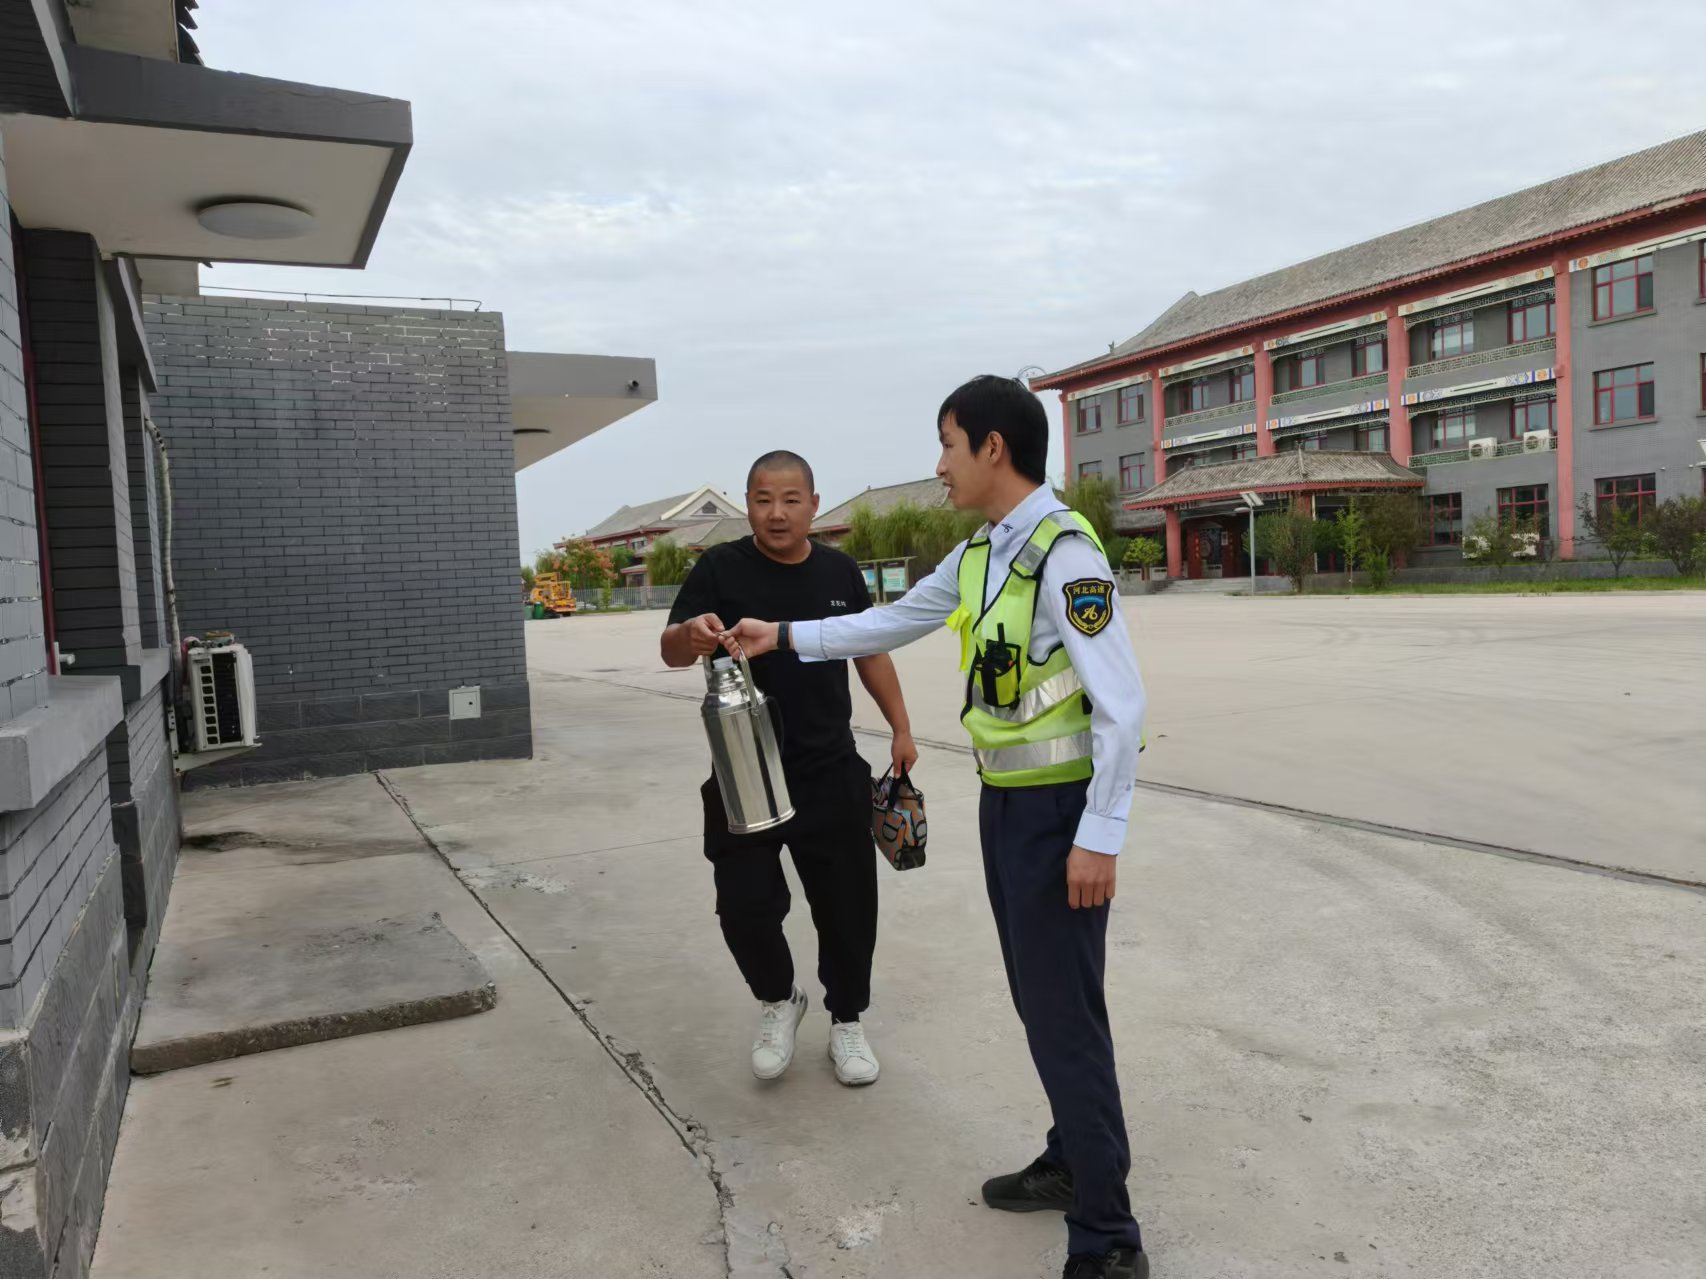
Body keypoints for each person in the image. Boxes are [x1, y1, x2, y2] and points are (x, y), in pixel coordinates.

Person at [721, 378, 1150, 1279]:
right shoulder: (982, 553)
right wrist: (782, 636)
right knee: (1043, 1005)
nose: (941, 463)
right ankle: (1074, 1157)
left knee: (1064, 1015)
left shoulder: (1066, 554)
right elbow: (886, 622)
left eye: (950, 443)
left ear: (994, 447)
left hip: (1059, 815)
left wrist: (1100, 834)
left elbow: (1122, 704)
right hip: (1006, 806)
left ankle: (1109, 1238)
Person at [661, 450, 917, 1087]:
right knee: (743, 906)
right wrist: (690, 636)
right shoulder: (719, 567)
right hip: (744, 771)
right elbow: (670, 650)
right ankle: (779, 999)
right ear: (748, 504)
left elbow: (870, 650)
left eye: (790, 500)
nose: (776, 513)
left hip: (829, 768)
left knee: (848, 907)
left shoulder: (839, 571)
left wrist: (901, 726)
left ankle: (847, 1020)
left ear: (813, 505)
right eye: (763, 500)